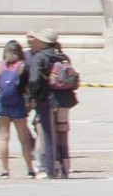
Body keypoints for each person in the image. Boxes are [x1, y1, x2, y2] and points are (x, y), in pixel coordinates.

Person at [25, 29, 76, 179]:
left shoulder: (40, 57)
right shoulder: (63, 56)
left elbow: (34, 80)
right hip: (65, 100)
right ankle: (65, 168)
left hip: (47, 100)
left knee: (48, 135)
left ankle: (51, 169)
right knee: (62, 134)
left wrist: (32, 97)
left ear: (43, 42)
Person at [0, 40, 36, 178]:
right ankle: (29, 169)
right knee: (23, 139)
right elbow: (29, 86)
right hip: (18, 102)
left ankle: (5, 170)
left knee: (3, 138)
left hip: (2, 103)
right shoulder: (24, 67)